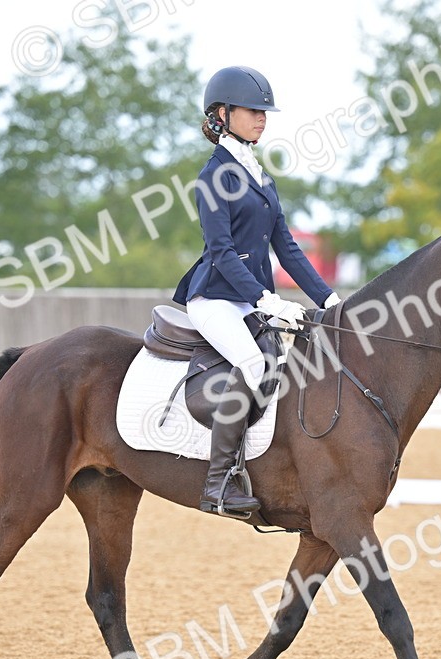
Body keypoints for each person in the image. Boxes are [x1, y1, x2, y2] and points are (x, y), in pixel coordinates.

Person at [173, 65, 341, 517]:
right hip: (215, 298)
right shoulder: (213, 177)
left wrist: (329, 300)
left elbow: (287, 248)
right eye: (252, 111)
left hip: (249, 299)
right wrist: (266, 299)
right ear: (222, 115)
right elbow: (222, 252)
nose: (261, 118)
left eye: (264, 112)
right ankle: (218, 484)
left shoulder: (261, 177)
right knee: (252, 363)